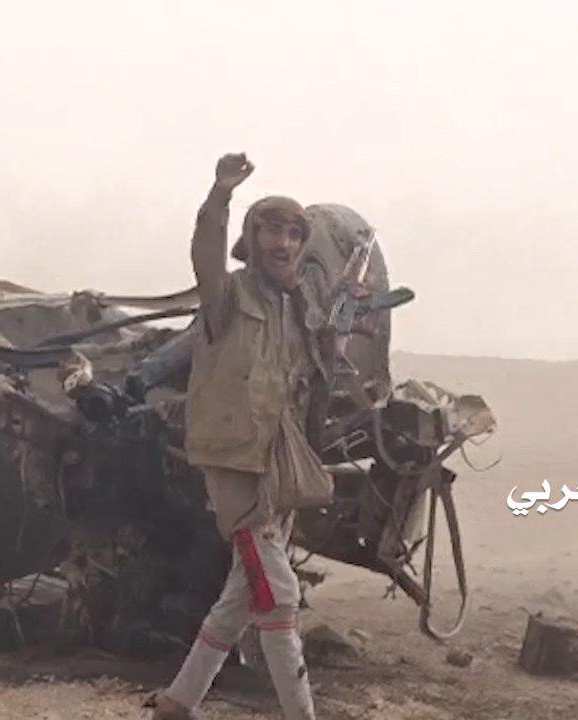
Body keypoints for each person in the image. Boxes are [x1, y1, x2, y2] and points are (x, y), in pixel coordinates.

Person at [149, 154, 331, 720]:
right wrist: (220, 195)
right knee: (276, 594)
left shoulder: (297, 309)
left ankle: (177, 702)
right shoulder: (226, 298)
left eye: (294, 234)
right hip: (234, 464)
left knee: (240, 594)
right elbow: (205, 254)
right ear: (251, 241)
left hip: (277, 464)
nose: (284, 243)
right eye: (272, 231)